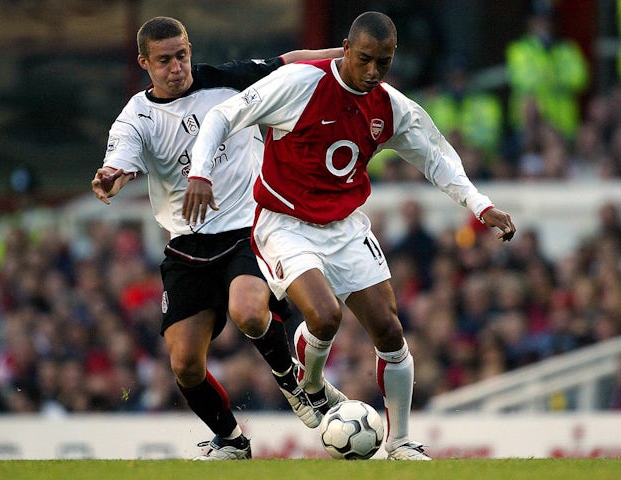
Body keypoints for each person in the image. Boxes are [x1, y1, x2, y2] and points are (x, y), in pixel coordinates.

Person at [183, 11, 516, 460]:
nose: (374, 71)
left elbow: (436, 155)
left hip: (345, 226)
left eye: (384, 61)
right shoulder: (299, 85)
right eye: (365, 59)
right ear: (345, 49)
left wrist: (482, 205)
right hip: (286, 223)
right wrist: (201, 172)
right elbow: (224, 115)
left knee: (390, 330)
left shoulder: (390, 106)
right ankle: (312, 384)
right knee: (324, 316)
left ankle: (399, 444)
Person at [91, 16, 344, 460]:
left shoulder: (227, 82)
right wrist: (112, 178)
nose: (177, 67)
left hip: (251, 226)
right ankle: (231, 440)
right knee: (185, 365)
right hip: (187, 245)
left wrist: (347, 56)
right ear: (144, 63)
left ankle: (294, 385)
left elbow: (292, 63)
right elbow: (122, 161)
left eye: (182, 55)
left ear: (191, 50)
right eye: (165, 60)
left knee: (248, 310)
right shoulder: (137, 115)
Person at [505, 1, 588, 146]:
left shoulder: (567, 49)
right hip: (532, 128)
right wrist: (560, 77)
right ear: (529, 22)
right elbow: (524, 80)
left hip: (565, 125)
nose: (543, 24)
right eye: (538, 19)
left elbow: (580, 79)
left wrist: (545, 75)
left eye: (547, 19)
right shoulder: (518, 49)